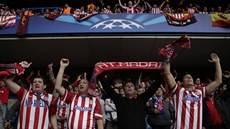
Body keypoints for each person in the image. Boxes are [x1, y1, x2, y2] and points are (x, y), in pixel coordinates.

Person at [163, 53, 222, 129]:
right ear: (182, 83)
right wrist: (167, 58)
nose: (189, 78)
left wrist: (217, 62)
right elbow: (167, 73)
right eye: (186, 77)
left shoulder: (200, 91)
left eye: (190, 77)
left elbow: (218, 81)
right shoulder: (179, 91)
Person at [97, 70, 163, 129]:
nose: (129, 87)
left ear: (134, 89)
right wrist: (100, 73)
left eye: (131, 86)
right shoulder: (119, 100)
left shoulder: (141, 99)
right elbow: (107, 88)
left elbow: (153, 88)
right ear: (123, 89)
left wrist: (163, 75)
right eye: (127, 86)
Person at [4, 61, 58, 129]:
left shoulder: (50, 98)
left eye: (40, 82)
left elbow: (52, 115)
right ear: (32, 86)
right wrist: (19, 69)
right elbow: (8, 81)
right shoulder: (24, 93)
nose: (37, 83)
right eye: (35, 82)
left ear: (44, 86)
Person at [55, 58, 103, 129]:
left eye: (84, 83)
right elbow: (58, 87)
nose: (81, 84)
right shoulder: (72, 96)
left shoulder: (95, 101)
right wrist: (62, 67)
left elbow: (99, 120)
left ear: (88, 86)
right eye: (80, 83)